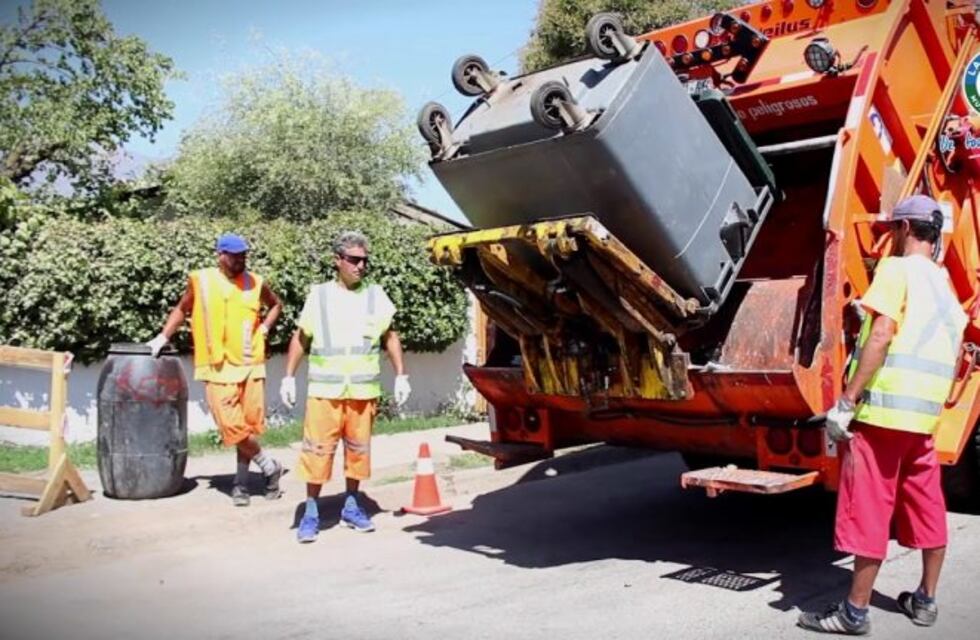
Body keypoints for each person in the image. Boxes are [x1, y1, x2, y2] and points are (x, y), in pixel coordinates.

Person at [798, 195, 967, 635]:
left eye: (892, 229)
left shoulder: (895, 271)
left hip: (883, 417)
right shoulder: (945, 286)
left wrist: (847, 402)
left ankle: (854, 612)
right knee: (928, 506)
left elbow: (884, 336)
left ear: (905, 230)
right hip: (922, 421)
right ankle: (926, 600)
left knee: (869, 509)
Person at [280, 231, 410, 542]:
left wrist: (401, 374)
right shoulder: (320, 296)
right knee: (317, 452)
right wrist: (288, 375)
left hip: (362, 392)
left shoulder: (375, 295)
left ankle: (352, 506)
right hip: (325, 392)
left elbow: (389, 336)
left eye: (365, 260)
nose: (360, 266)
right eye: (353, 260)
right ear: (337, 260)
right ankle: (311, 512)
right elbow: (302, 337)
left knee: (358, 453)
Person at [147, 233, 284, 507]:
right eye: (235, 255)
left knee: (247, 426)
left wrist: (265, 329)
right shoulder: (201, 280)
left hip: (250, 362)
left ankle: (241, 484)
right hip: (217, 365)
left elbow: (276, 305)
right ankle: (269, 465)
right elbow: (182, 308)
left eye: (244, 255)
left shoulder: (255, 282)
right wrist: (162, 337)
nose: (241, 260)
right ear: (220, 255)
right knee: (231, 425)